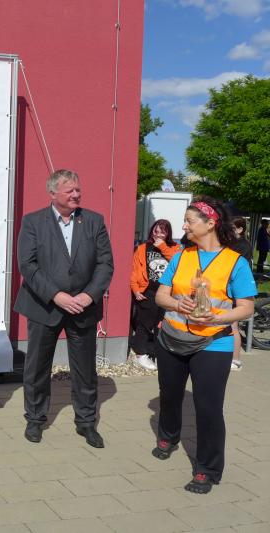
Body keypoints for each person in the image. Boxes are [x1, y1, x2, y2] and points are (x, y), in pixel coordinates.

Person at [153, 196, 256, 494]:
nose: (184, 226)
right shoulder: (181, 256)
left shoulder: (235, 262)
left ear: (210, 224)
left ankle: (207, 468)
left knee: (208, 407)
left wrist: (218, 316)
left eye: (189, 221)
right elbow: (161, 296)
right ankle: (168, 436)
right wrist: (177, 304)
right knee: (169, 395)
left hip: (213, 343)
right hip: (171, 339)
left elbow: (247, 307)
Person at [14, 169, 114, 448]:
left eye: (78, 190)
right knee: (37, 366)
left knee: (85, 369)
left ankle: (86, 422)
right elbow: (28, 265)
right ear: (52, 193)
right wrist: (56, 295)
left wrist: (89, 295)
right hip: (44, 306)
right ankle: (35, 419)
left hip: (83, 307)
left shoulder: (93, 220)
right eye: (70, 190)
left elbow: (105, 263)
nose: (76, 195)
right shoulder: (33, 222)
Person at [129, 219, 180, 370]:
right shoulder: (143, 248)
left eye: (162, 232)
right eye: (155, 231)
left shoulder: (174, 248)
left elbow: (177, 264)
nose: (158, 234)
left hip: (167, 292)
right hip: (148, 291)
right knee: (145, 322)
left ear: (168, 233)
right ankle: (141, 353)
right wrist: (136, 289)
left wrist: (163, 247)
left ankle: (160, 353)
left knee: (162, 324)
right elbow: (135, 270)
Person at [231, 217, 252, 371]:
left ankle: (236, 359)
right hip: (230, 287)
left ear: (240, 229)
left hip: (236, 289)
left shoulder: (243, 245)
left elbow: (233, 265)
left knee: (233, 325)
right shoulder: (232, 243)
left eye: (232, 228)